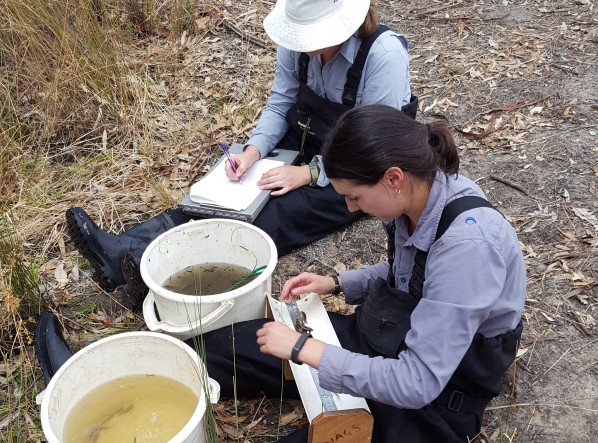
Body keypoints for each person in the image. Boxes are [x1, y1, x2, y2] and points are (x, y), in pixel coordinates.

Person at [197, 104, 526, 442]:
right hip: (394, 333)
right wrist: (337, 283)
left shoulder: (469, 247)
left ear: (393, 178)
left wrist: (303, 349)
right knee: (228, 347)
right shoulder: (418, 196)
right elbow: (416, 274)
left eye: (355, 197)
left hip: (438, 394)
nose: (351, 208)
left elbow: (416, 381)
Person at [64, 0, 416, 308]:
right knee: (224, 199)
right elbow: (280, 105)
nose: (306, 47)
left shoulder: (383, 55)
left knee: (269, 215)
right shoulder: (295, 46)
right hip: (305, 139)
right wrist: (252, 152)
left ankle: (150, 267)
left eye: (314, 36)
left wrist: (308, 174)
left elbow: (374, 146)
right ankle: (122, 249)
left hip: (355, 171)